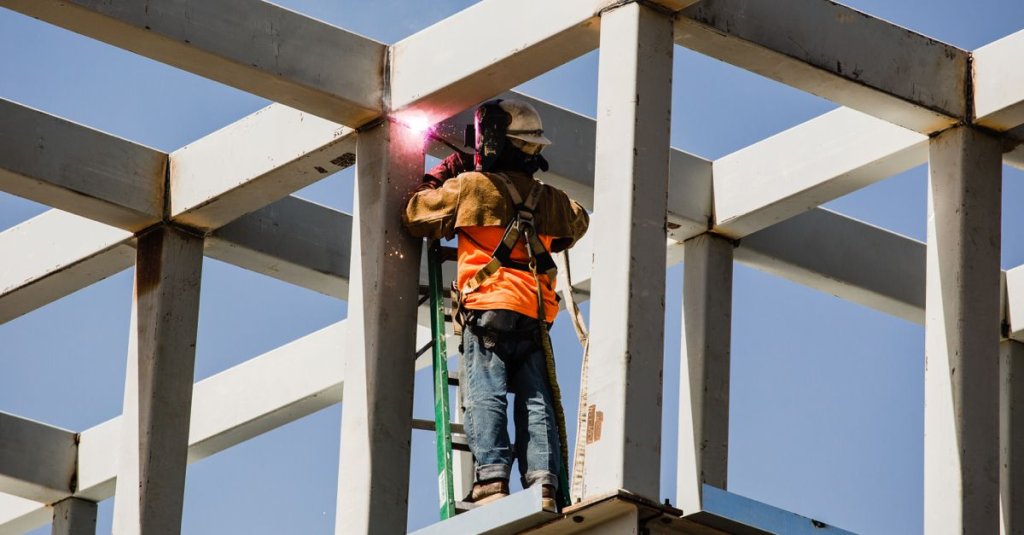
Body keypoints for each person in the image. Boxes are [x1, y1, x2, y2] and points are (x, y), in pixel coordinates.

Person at [403, 99, 589, 509]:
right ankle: (543, 481)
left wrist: (446, 174)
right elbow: (577, 221)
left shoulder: (472, 188)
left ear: (491, 142)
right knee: (537, 399)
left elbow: (415, 214)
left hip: (487, 310)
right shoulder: (549, 199)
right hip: (535, 316)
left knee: (484, 393)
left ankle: (490, 479)